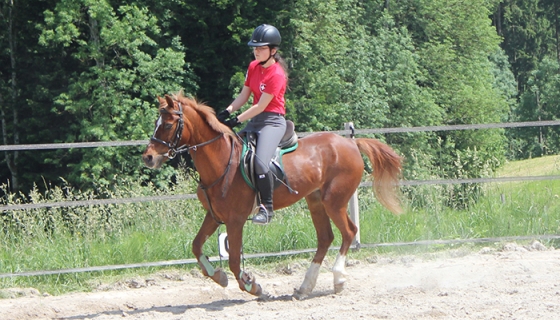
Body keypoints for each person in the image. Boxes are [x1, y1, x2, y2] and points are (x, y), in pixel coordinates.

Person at [218, 24, 288, 225]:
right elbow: (244, 94)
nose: (256, 51)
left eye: (261, 48)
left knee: (260, 162)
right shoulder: (253, 67)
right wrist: (228, 110)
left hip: (272, 122)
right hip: (256, 120)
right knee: (233, 154)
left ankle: (266, 208)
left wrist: (236, 120)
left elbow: (261, 105)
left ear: (272, 50)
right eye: (255, 48)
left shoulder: (277, 74)